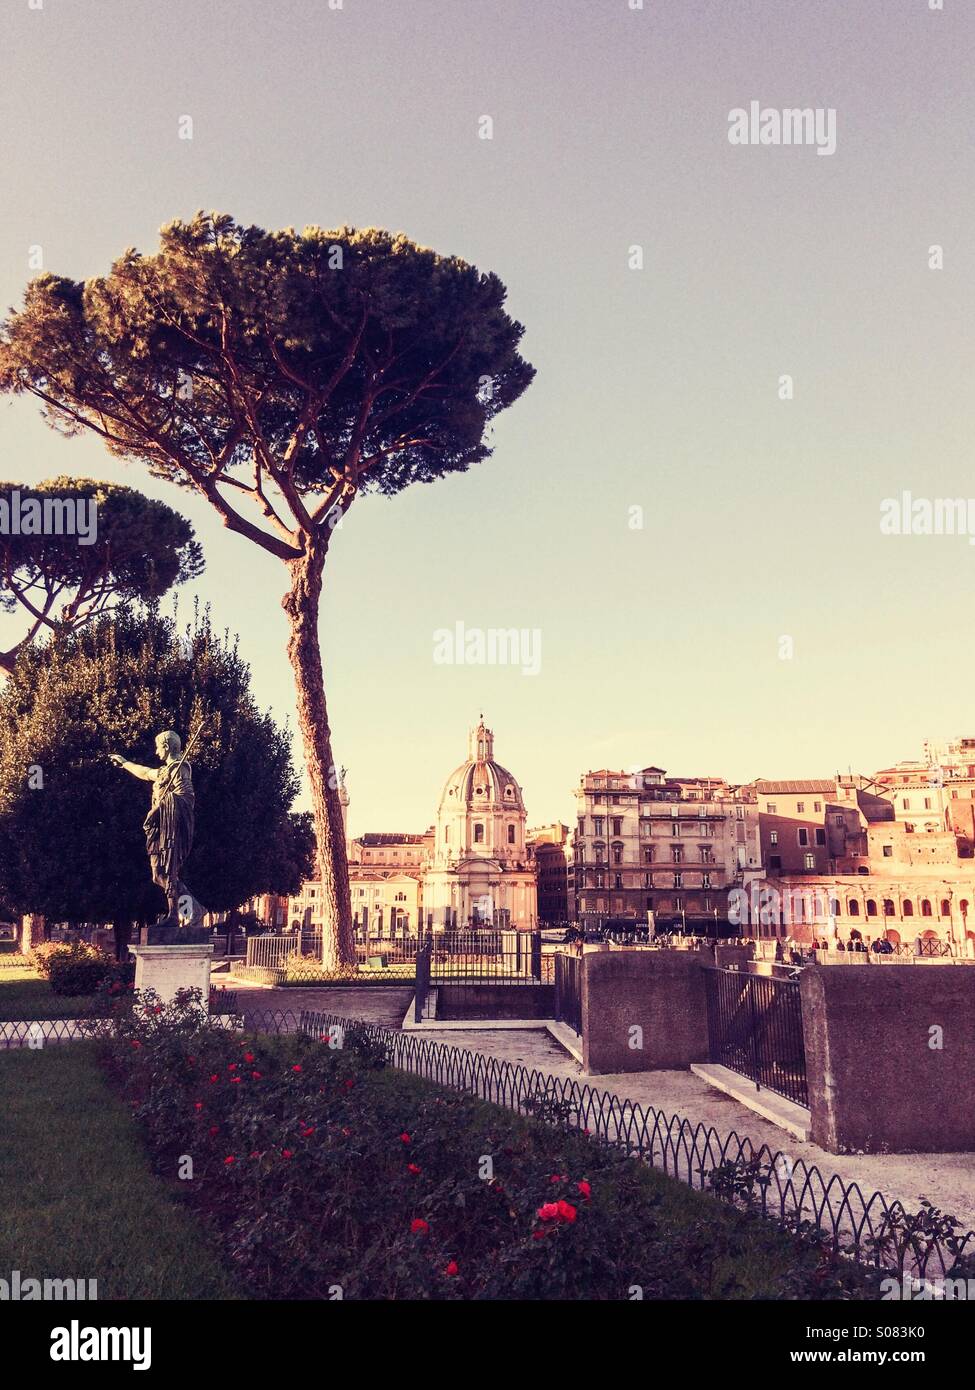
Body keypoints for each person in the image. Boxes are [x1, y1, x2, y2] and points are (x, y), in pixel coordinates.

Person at [109, 730, 204, 929]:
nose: (156, 751)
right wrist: (125, 763)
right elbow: (145, 772)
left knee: (167, 871)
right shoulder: (164, 771)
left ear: (167, 747)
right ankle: (190, 910)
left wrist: (165, 803)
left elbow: (187, 798)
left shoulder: (179, 768)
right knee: (159, 873)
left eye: (158, 746)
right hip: (160, 827)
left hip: (171, 828)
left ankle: (178, 914)